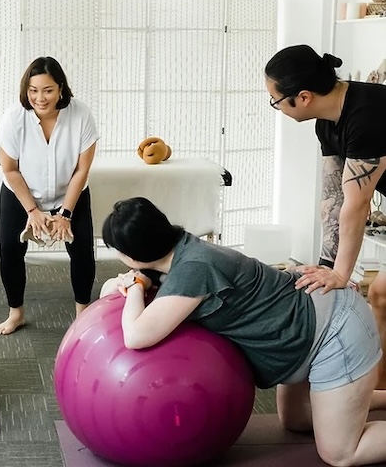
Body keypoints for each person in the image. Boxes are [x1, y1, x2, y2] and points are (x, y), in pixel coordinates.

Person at [100, 197, 386, 467]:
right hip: (301, 332)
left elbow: (136, 336)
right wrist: (128, 281)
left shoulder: (192, 269)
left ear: (131, 255)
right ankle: (364, 398)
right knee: (295, 421)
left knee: (340, 452)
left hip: (333, 331)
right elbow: (107, 294)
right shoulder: (180, 254)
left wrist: (136, 286)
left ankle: (350, 407)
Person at [265, 44, 386, 386]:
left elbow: (356, 205)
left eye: (275, 100)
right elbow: (332, 199)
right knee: (381, 294)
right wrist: (326, 267)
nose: (276, 108)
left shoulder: (367, 115)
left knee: (380, 290)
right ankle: (378, 390)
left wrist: (341, 275)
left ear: (302, 97)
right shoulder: (327, 124)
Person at [0, 56, 99, 335]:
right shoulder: (14, 118)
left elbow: (82, 170)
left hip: (70, 192)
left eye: (48, 90)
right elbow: (10, 169)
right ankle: (15, 313)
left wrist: (65, 213)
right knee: (10, 250)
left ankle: (82, 313)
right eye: (33, 90)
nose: (40, 98)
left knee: (83, 251)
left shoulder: (81, 115)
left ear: (61, 88)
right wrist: (32, 210)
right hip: (21, 193)